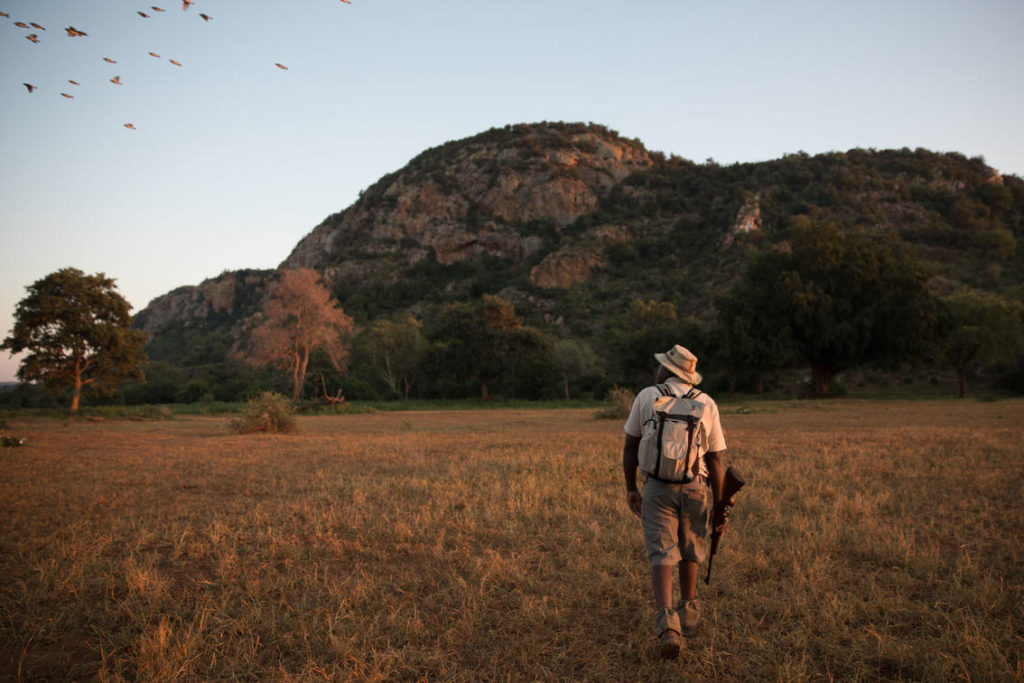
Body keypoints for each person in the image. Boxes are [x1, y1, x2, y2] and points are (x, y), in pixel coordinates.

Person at [621, 344, 728, 660]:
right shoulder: (706, 402)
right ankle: (689, 615)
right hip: (695, 486)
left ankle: (669, 627)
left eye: (662, 365)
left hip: (656, 487)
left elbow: (630, 446)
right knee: (691, 547)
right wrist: (719, 506)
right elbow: (716, 459)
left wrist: (631, 487)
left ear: (668, 371)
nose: (657, 369)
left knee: (662, 552)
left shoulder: (646, 396)